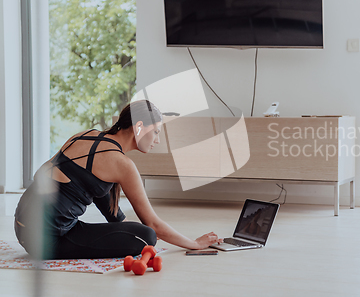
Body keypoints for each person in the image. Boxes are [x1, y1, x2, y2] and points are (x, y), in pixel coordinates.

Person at [14, 100, 222, 259]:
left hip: (22, 227)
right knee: (147, 236)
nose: (157, 140)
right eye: (156, 132)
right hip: (46, 241)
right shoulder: (122, 164)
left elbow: (40, 174)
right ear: (139, 127)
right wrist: (195, 244)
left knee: (129, 222)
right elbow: (153, 224)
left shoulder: (85, 135)